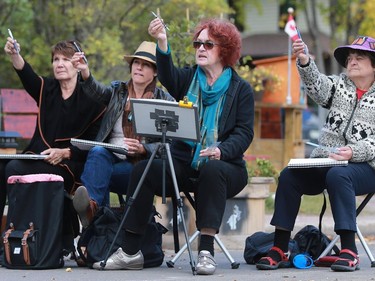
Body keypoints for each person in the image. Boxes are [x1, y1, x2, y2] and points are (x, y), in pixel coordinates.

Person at [92, 18, 254, 274]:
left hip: (226, 167)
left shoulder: (240, 89)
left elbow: (245, 133)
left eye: (208, 44)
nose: (200, 48)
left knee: (212, 169)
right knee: (143, 170)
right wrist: (162, 41)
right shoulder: (189, 78)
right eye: (197, 43)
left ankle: (206, 252)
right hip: (184, 163)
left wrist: (222, 150)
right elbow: (167, 73)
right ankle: (131, 251)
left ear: (224, 49)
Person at [256, 36, 375, 272]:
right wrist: (304, 60)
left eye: (359, 58)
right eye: (350, 58)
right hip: (328, 160)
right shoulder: (340, 85)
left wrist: (353, 151)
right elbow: (318, 87)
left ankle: (349, 250)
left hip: (367, 167)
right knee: (290, 175)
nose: (352, 62)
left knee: (339, 177)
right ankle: (280, 247)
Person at [2, 39, 106, 252]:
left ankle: (22, 239)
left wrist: (67, 152)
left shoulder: (91, 98)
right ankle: (8, 239)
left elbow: (96, 143)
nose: (59, 64)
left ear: (77, 64)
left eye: (65, 60)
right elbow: (26, 74)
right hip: (39, 157)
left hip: (71, 165)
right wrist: (14, 53)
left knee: (13, 168)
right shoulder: (47, 88)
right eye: (55, 59)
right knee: (2, 166)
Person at [72, 41, 174, 229]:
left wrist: (144, 148)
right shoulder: (118, 91)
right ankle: (93, 210)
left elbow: (171, 144)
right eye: (136, 63)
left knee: (98, 176)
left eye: (146, 65)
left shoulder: (164, 100)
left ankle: (93, 218)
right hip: (110, 158)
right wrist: (85, 71)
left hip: (139, 167)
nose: (139, 67)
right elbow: (97, 90)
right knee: (97, 151)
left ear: (156, 71)